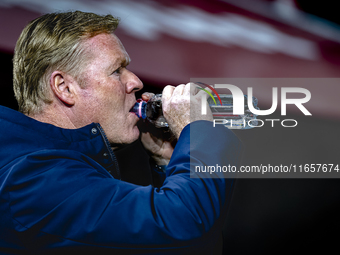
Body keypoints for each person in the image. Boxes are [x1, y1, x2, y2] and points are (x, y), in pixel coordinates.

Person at [0, 11, 243, 254]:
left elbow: (181, 247)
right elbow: (183, 226)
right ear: (65, 88)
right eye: (117, 70)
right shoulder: (33, 178)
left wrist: (170, 164)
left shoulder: (59, 171)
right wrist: (199, 131)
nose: (136, 82)